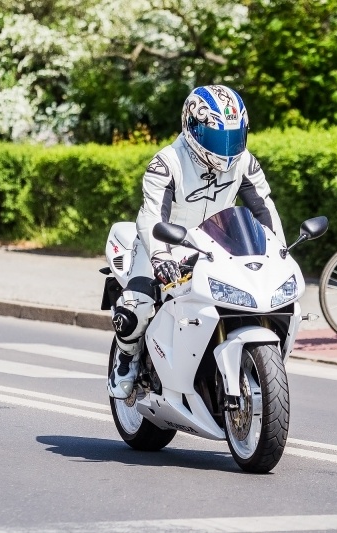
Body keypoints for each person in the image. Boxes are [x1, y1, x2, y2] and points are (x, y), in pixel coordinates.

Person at [108, 84, 286, 399]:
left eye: (234, 136)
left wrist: (280, 252)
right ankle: (126, 358)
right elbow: (151, 217)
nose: (228, 146)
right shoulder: (167, 162)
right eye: (218, 138)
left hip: (217, 246)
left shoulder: (245, 162)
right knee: (137, 308)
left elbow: (264, 209)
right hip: (162, 244)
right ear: (193, 129)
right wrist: (161, 259)